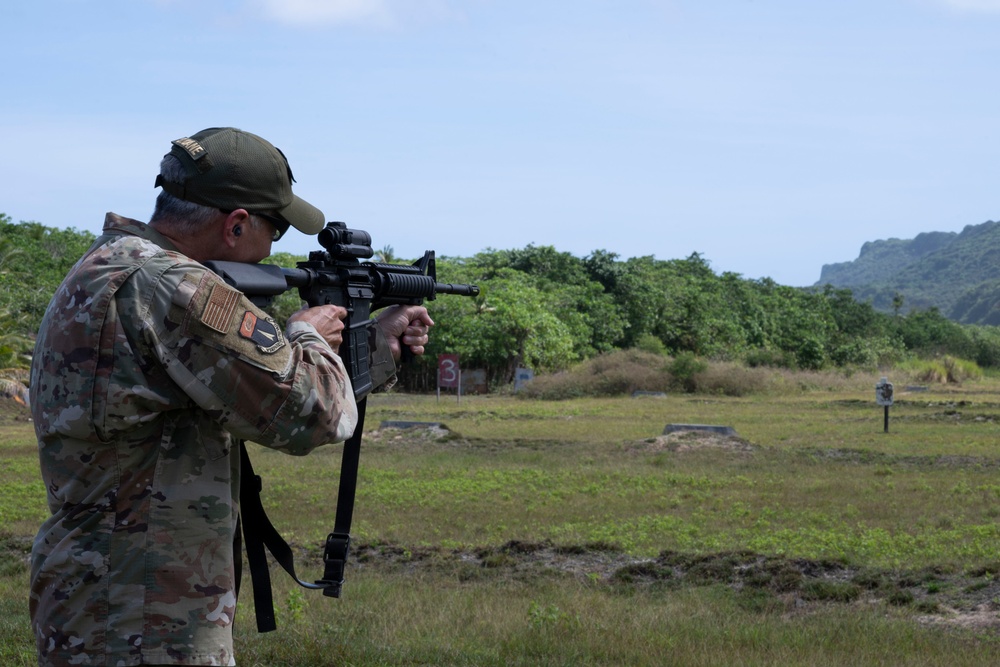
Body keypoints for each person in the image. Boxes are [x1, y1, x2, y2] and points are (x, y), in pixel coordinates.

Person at [28, 127, 434, 667]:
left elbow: (245, 393)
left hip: (102, 592)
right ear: (237, 224)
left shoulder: (114, 264)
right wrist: (308, 333)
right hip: (144, 612)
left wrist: (376, 345)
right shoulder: (177, 289)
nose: (275, 249)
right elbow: (312, 414)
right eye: (277, 229)